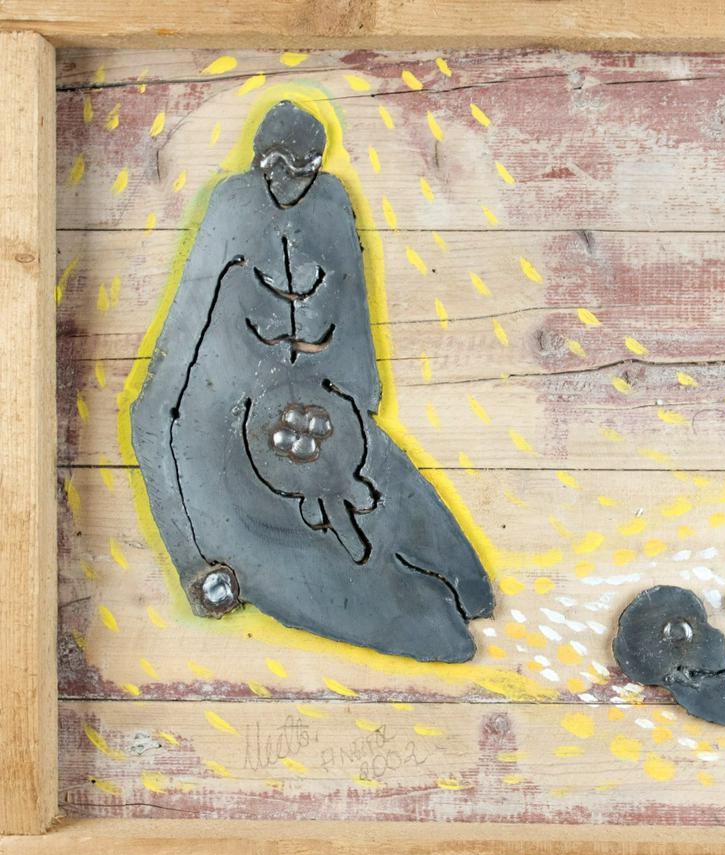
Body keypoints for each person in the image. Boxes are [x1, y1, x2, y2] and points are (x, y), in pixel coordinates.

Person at [131, 101, 494, 663]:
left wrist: (355, 413)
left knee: (468, 581)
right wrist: (192, 559)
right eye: (277, 165)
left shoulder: (329, 203)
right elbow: (159, 402)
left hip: (331, 429)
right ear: (261, 162)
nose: (289, 181)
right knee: (428, 630)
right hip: (230, 458)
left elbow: (351, 331)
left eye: (304, 168)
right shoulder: (233, 208)